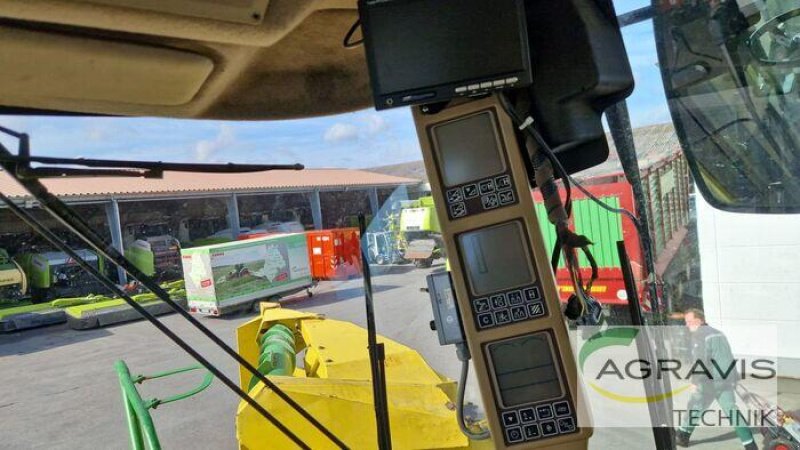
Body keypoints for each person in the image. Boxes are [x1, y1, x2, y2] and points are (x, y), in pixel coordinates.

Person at [676, 308, 757, 450]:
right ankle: (750, 445)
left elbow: (701, 361)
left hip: (711, 379)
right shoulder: (719, 333)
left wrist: (695, 382)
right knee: (732, 410)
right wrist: (734, 377)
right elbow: (728, 356)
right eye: (686, 322)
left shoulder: (700, 335)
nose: (687, 325)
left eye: (690, 321)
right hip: (726, 378)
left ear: (699, 320)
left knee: (696, 405)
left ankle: (682, 436)